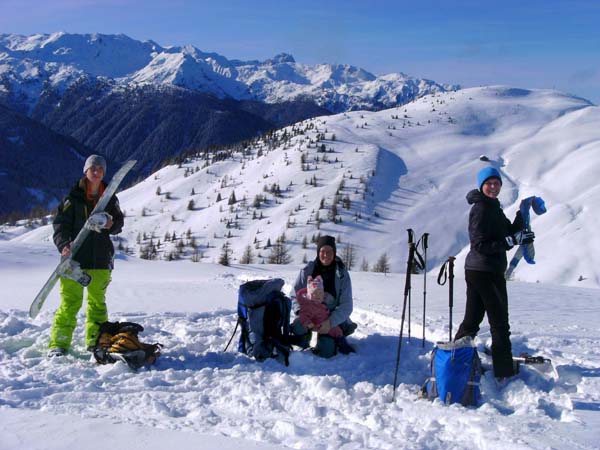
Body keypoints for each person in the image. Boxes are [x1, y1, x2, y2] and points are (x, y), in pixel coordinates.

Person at [454, 167, 534, 380]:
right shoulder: (481, 208)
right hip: (485, 272)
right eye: (489, 183)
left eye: (496, 183)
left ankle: (454, 361)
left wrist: (522, 215)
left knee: (472, 321)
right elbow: (479, 244)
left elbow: (508, 232)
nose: (493, 187)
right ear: (482, 185)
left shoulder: (493, 207)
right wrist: (511, 241)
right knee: (499, 324)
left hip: (479, 270)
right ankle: (504, 373)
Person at [48, 155, 124, 357]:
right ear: (86, 171)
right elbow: (59, 226)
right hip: (74, 260)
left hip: (101, 259)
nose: (97, 171)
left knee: (97, 304)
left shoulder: (110, 198)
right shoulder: (72, 198)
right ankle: (59, 344)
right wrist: (64, 245)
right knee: (70, 303)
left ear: (104, 172)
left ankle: (95, 341)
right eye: (93, 168)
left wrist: (110, 224)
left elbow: (119, 223)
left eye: (100, 168)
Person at [292, 235, 357, 357]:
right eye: (322, 251)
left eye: (329, 252)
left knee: (326, 351)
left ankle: (335, 335)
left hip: (330, 317)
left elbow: (346, 305)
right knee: (297, 327)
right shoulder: (308, 270)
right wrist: (302, 313)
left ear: (334, 252)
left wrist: (330, 322)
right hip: (310, 314)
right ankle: (304, 338)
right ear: (318, 252)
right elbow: (294, 295)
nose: (326, 255)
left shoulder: (341, 274)